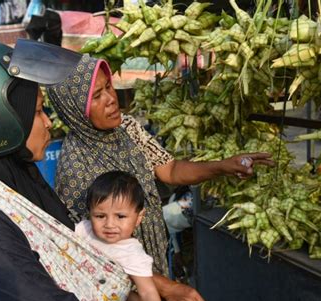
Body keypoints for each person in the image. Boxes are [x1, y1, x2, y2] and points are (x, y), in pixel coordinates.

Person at [0, 39, 208, 301]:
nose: (48, 122)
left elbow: (75, 246)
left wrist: (133, 294)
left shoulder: (14, 179)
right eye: (36, 112)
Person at [38, 40, 274, 276]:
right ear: (75, 109)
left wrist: (225, 166)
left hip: (153, 260)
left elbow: (169, 170)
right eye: (97, 96)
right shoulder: (76, 166)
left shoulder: (128, 128)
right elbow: (93, 250)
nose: (111, 98)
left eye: (108, 87)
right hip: (124, 281)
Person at [77, 170, 162, 301]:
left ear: (139, 217)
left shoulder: (132, 254)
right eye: (100, 216)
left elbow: (148, 293)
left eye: (120, 216)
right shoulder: (84, 230)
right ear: (90, 213)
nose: (110, 224)